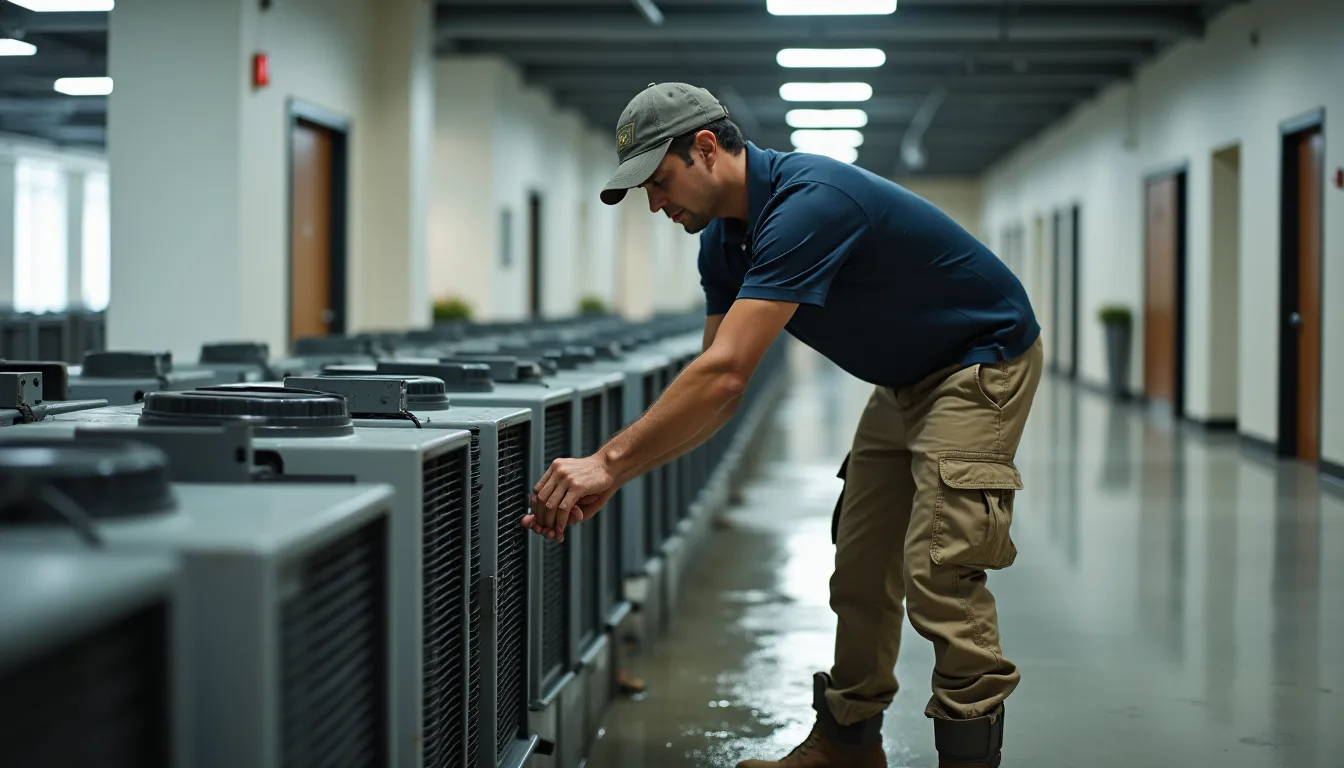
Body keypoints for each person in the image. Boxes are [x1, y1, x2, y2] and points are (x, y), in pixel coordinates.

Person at [522, 82, 1042, 768]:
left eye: (657, 178)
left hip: (979, 362)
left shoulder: (809, 204)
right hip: (905, 378)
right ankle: (848, 744)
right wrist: (624, 471)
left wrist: (609, 462)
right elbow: (715, 388)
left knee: (940, 567)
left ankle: (968, 752)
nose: (654, 202)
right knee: (859, 566)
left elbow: (728, 372)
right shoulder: (723, 244)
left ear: (706, 148)